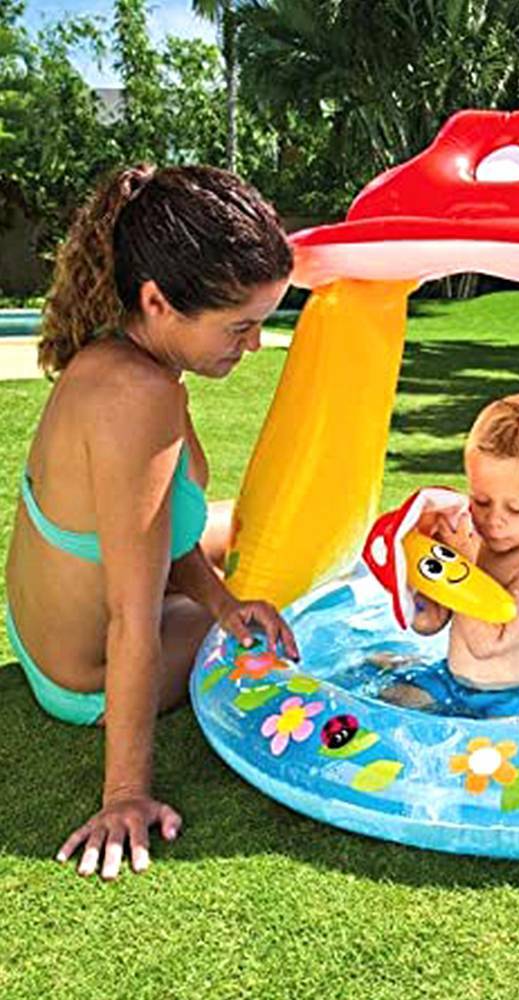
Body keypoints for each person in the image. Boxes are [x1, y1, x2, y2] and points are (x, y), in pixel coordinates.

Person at [3, 164, 300, 880]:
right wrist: (125, 794)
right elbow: (131, 617)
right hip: (87, 680)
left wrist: (222, 601)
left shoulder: (128, 354)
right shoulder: (137, 398)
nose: (254, 346)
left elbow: (158, 533)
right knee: (294, 600)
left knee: (247, 546)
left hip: (42, 637)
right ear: (158, 301)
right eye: (241, 326)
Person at [381, 391, 519, 720]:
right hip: (453, 682)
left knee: (501, 744)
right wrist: (411, 573)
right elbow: (428, 623)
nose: (494, 519)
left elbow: (487, 645)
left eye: (515, 509)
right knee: (387, 700)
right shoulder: (468, 541)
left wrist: (462, 565)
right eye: (481, 501)